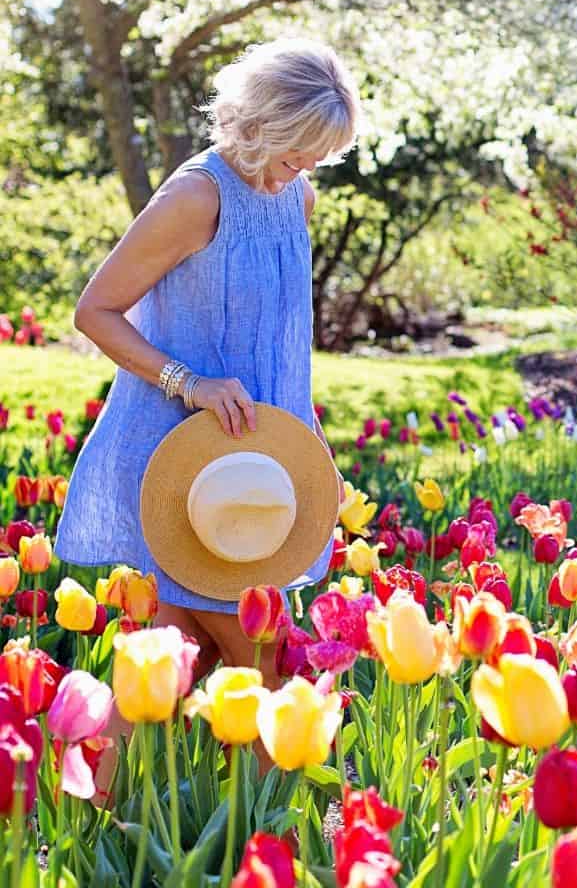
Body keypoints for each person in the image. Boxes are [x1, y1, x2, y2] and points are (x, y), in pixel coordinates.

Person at [56, 37, 362, 686]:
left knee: (168, 668)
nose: (299, 174)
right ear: (258, 125)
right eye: (292, 156)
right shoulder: (196, 198)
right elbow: (96, 312)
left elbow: (282, 346)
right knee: (277, 671)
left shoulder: (296, 199)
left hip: (257, 459)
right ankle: (304, 792)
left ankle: (96, 791)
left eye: (315, 160)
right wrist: (186, 382)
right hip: (192, 463)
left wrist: (311, 448)